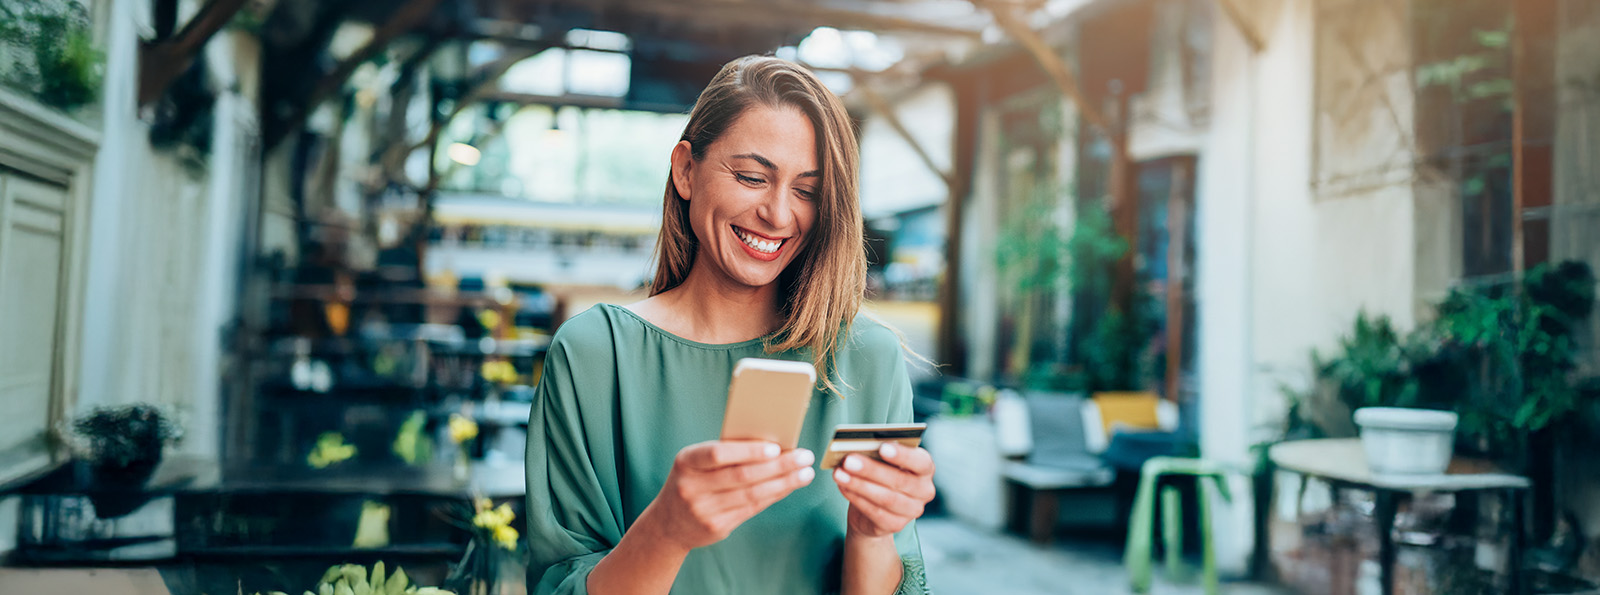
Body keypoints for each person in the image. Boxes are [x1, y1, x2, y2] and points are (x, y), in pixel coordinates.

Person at [524, 55, 936, 595]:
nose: (778, 214)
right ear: (686, 170)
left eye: (807, 191)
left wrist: (871, 534)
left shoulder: (867, 358)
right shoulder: (595, 354)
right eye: (751, 177)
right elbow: (559, 583)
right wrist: (667, 531)